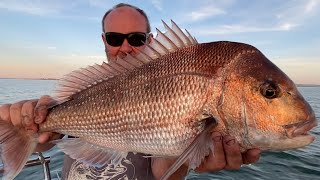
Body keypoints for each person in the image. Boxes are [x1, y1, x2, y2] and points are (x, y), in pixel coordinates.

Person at [0, 3, 261, 180]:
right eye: (115, 38)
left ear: (150, 41)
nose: (125, 47)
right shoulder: (82, 95)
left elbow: (162, 172)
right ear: (104, 40)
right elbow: (48, 143)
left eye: (136, 39)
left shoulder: (170, 83)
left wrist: (189, 158)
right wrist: (32, 129)